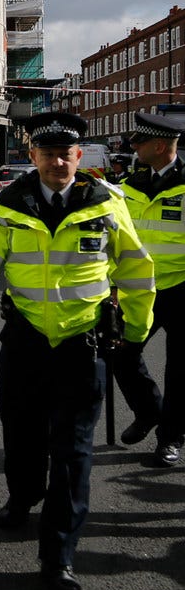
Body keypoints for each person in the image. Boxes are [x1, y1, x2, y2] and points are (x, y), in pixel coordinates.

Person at [0, 112, 155, 590]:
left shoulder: (107, 204)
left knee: (73, 451)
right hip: (24, 338)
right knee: (19, 430)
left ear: (78, 157)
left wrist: (134, 329)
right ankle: (22, 495)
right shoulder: (6, 204)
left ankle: (58, 555)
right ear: (33, 157)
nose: (57, 162)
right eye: (47, 154)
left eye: (66, 154)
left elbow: (134, 267)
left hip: (83, 345)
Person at [114, 112, 185, 467]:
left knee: (180, 371)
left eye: (139, 142)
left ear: (159, 146)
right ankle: (149, 410)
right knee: (121, 354)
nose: (134, 147)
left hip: (181, 289)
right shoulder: (130, 184)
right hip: (139, 288)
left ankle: (170, 438)